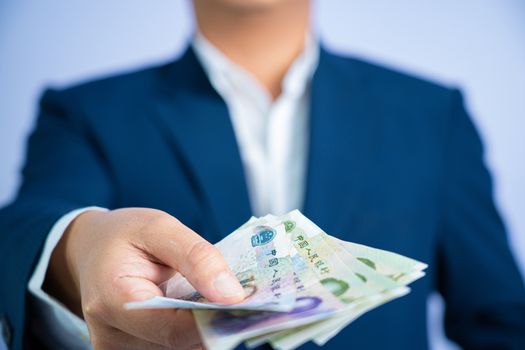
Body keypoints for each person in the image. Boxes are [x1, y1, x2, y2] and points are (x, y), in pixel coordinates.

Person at [1, 0, 524, 349]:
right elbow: (29, 222)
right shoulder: (86, 112)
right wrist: (75, 249)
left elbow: (501, 319)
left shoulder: (431, 114)